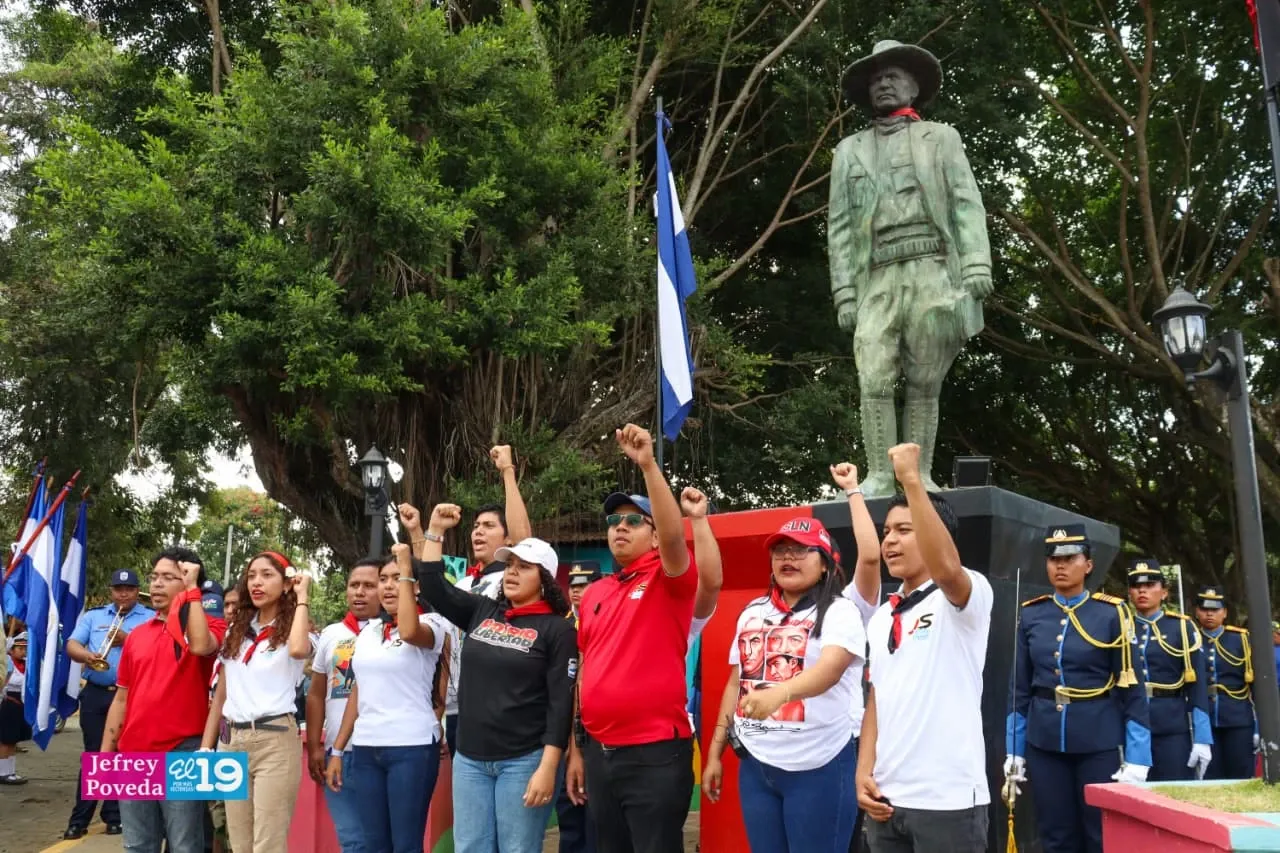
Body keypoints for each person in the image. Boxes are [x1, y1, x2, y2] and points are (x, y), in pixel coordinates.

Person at [828, 39, 992, 496]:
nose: (883, 84)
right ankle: (880, 476)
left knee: (925, 378)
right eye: (876, 79)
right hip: (877, 276)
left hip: (932, 270)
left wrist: (977, 263)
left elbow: (966, 203)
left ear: (914, 86)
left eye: (893, 76)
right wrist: (845, 293)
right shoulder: (848, 151)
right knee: (873, 374)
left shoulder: (942, 138)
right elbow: (839, 227)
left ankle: (917, 477)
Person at [407, 504, 577, 853]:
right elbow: (435, 589)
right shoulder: (483, 610)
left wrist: (548, 767)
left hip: (524, 759)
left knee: (517, 848)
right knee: (471, 847)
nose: (512, 572)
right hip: (470, 759)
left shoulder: (558, 630)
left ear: (545, 579)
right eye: (510, 565)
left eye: (524, 567)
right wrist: (434, 530)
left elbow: (562, 703)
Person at [565, 424, 699, 853]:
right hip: (600, 754)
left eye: (633, 521)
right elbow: (585, 670)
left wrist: (647, 465)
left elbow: (675, 535)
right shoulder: (595, 592)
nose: (619, 527)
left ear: (654, 536)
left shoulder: (669, 578)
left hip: (655, 755)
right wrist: (578, 749)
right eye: (613, 521)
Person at [853, 444, 993, 853]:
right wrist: (864, 770)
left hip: (948, 801)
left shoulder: (966, 596)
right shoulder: (882, 616)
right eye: (887, 532)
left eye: (905, 530)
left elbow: (947, 570)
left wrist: (912, 481)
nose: (890, 541)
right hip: (886, 800)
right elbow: (877, 697)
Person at [704, 515, 865, 852]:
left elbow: (831, 669)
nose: (788, 557)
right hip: (757, 766)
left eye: (801, 550)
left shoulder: (840, 611)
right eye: (780, 551)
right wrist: (715, 753)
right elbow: (736, 683)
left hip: (819, 764)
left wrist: (780, 693)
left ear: (825, 564)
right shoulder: (752, 612)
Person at [1004, 525, 1151, 853]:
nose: (1060, 565)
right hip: (1045, 742)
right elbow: (1019, 689)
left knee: (1099, 834)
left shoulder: (1111, 614)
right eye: (1053, 559)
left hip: (1098, 741)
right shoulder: (1032, 613)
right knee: (1056, 835)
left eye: (1070, 558)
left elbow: (1132, 689)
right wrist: (1014, 749)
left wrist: (1138, 756)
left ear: (1088, 565)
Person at [101, 549, 225, 853]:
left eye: (168, 577)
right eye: (154, 576)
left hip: (184, 751)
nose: (157, 584)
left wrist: (193, 591)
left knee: (185, 845)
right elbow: (121, 699)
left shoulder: (212, 627)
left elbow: (201, 646)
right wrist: (106, 755)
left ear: (190, 583)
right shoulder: (136, 635)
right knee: (137, 845)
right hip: (133, 753)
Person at [325, 547, 447, 853]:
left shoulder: (433, 624)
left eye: (399, 578)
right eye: (384, 579)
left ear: (416, 587)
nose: (389, 586)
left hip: (412, 746)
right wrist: (338, 749)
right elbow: (359, 690)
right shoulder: (370, 631)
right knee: (375, 844)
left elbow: (408, 631)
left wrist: (407, 565)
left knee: (405, 845)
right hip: (366, 747)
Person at [202, 552, 313, 853]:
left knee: (268, 843)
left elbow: (299, 650)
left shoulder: (297, 628)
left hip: (274, 739)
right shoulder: (236, 631)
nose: (256, 583)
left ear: (286, 583)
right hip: (231, 740)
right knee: (239, 842)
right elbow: (222, 693)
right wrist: (206, 747)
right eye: (251, 576)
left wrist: (302, 597)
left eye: (267, 575)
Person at [440, 445, 533, 756]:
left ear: (508, 539)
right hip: (459, 709)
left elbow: (525, 543)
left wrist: (507, 471)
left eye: (489, 526)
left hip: (504, 707)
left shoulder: (513, 580)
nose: (478, 532)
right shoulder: (463, 584)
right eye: (476, 526)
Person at [62, 569, 156, 838]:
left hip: (132, 696)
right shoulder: (94, 616)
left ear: (137, 591)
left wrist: (128, 640)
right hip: (96, 693)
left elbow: (155, 652)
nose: (123, 594)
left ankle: (114, 816)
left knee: (122, 756)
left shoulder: (150, 618)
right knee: (95, 756)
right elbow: (72, 644)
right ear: (111, 591)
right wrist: (87, 656)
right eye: (118, 589)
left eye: (129, 589)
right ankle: (79, 819)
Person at [306, 558, 382, 853]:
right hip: (338, 754)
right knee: (351, 841)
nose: (359, 592)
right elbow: (316, 694)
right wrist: (316, 745)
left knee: (381, 839)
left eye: (369, 586)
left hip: (380, 752)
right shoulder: (331, 634)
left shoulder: (396, 632)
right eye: (354, 585)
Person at [1125, 559, 1212, 781]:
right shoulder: (1121, 627)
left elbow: (1198, 685)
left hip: (1171, 723)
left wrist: (1202, 737)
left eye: (1150, 585)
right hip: (1130, 723)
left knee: (1173, 789)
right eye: (1136, 586)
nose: (1142, 590)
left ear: (1164, 592)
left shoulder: (1181, 627)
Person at [1193, 585, 1257, 780]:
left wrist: (1260, 727)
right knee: (1209, 777)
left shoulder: (1241, 640)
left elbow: (1256, 687)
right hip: (1204, 719)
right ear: (1197, 612)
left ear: (1225, 612)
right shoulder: (1190, 639)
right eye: (1204, 609)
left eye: (1215, 609)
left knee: (1241, 775)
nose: (1209, 614)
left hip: (1238, 718)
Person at [0, 632, 31, 785]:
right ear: (11, 650)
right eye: (19, 649)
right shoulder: (7, 664)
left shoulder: (26, 664)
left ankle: (10, 771)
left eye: (25, 649)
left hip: (20, 704)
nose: (23, 652)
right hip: (9, 704)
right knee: (5, 740)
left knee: (13, 740)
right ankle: (2, 772)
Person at [566, 563, 602, 628]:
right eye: (572, 586)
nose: (575, 590)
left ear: (597, 587)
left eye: (581, 585)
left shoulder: (603, 620)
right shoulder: (563, 622)